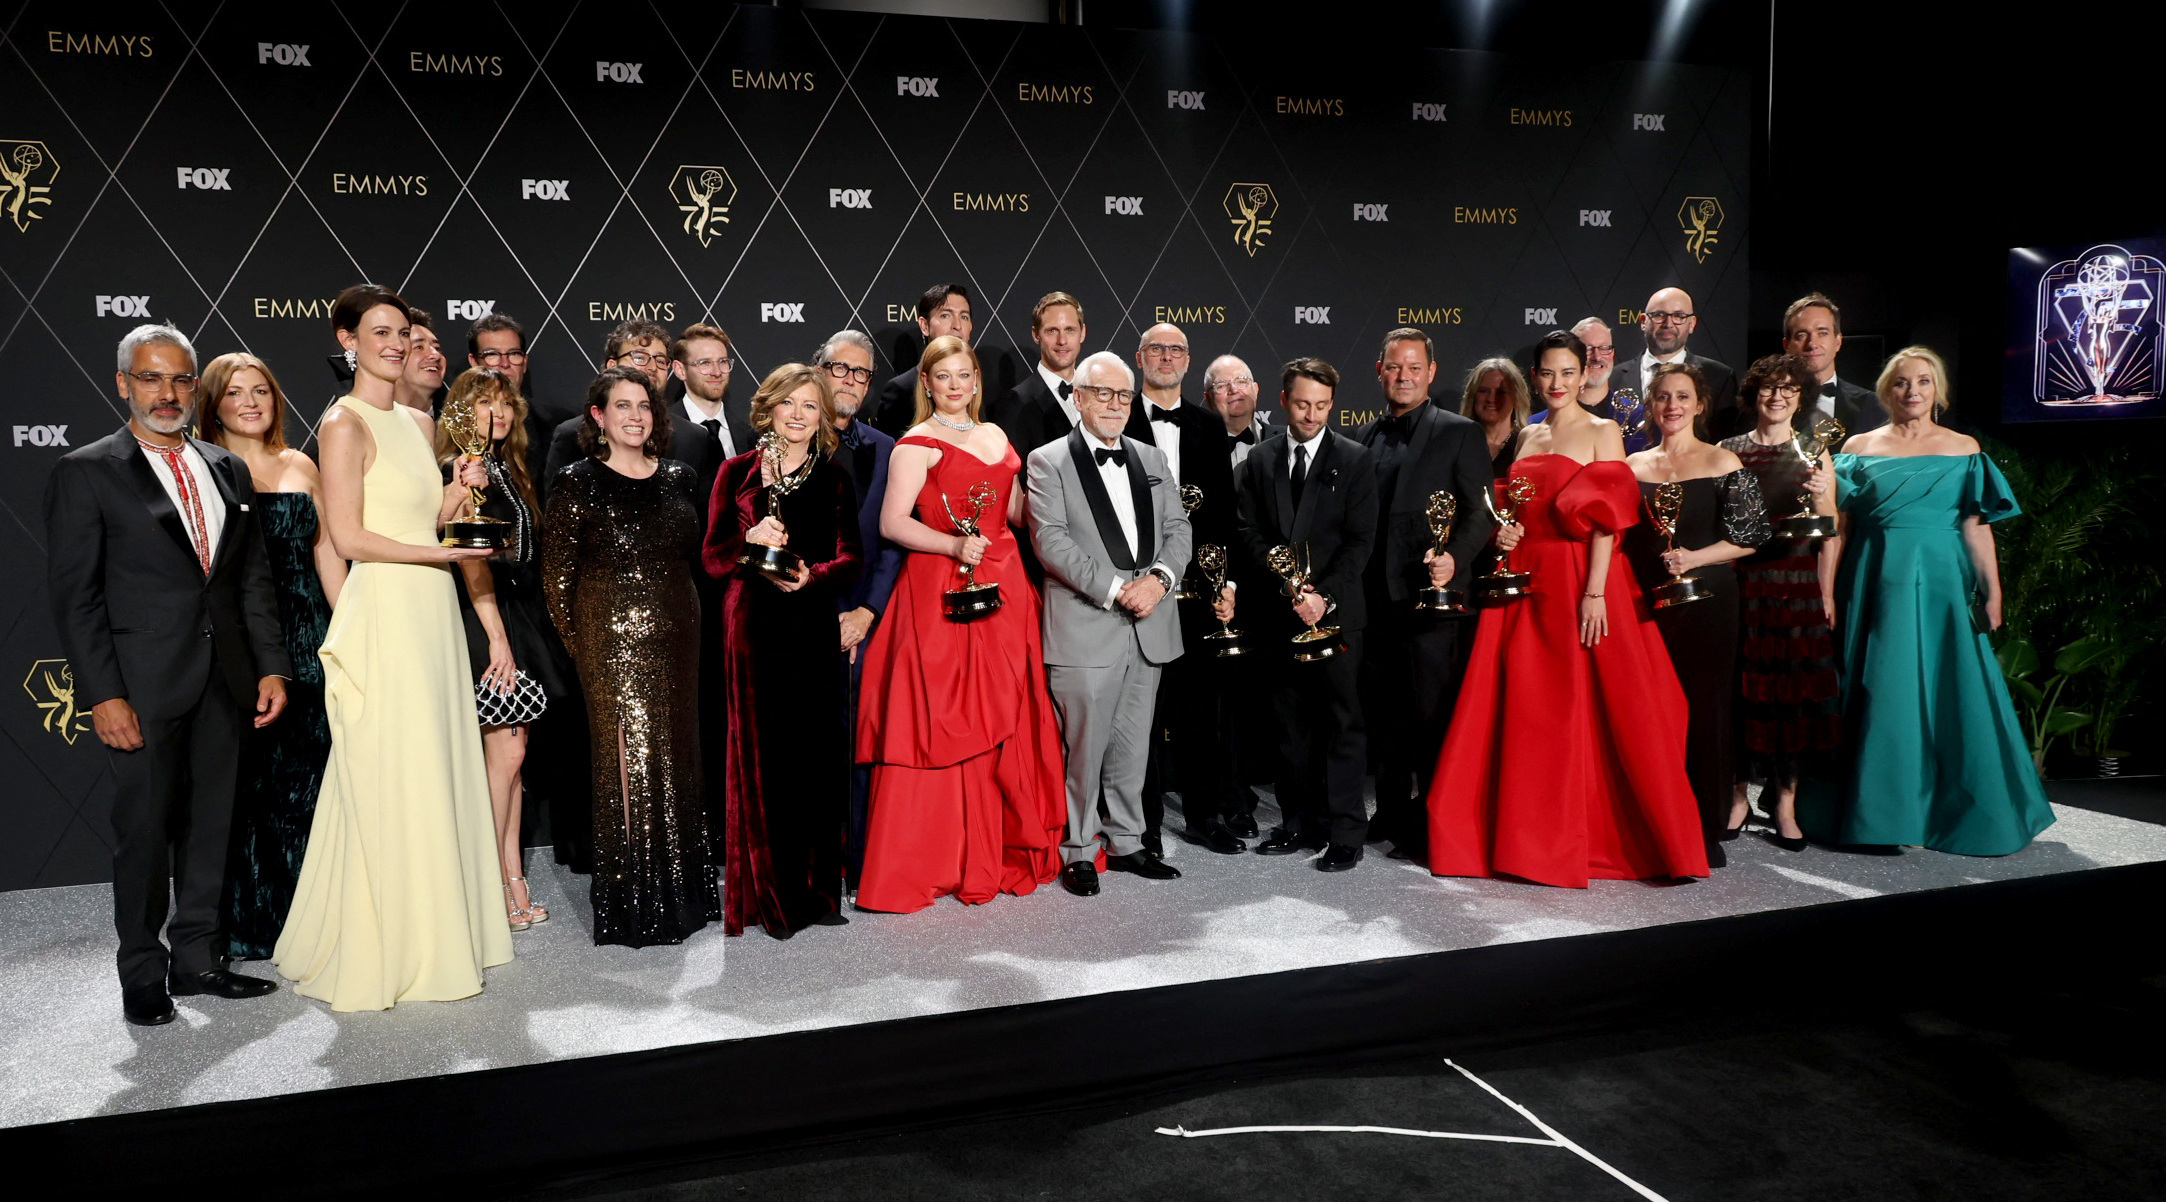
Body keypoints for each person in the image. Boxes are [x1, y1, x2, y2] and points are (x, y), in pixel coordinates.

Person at [273, 284, 513, 1010]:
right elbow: (347, 537)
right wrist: (443, 556)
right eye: (379, 332)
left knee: (434, 764)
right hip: (388, 605)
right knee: (393, 773)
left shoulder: (417, 416)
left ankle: (442, 929)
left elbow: (423, 517)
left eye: (403, 332)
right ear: (347, 340)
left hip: (431, 613)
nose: (395, 343)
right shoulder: (343, 422)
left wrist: (457, 493)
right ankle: (393, 941)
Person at [45, 324, 293, 1025]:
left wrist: (271, 666)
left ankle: (198, 960)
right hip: (142, 687)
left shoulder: (226, 467)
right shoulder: (85, 471)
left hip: (228, 679)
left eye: (181, 379)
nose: (168, 393)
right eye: (151, 378)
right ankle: (141, 973)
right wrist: (103, 694)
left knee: (212, 827)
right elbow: (76, 598)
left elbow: (250, 581)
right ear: (124, 383)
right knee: (146, 834)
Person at [1425, 330, 1706, 887]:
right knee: (1526, 708)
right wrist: (1502, 535)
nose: (1556, 384)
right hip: (1525, 583)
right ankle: (1520, 838)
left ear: (1585, 376)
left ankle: (1584, 837)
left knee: (1590, 708)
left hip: (1582, 578)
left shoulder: (1604, 431)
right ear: (1536, 377)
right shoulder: (1527, 437)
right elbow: (1513, 507)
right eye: (1547, 374)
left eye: (1567, 374)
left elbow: (1611, 515)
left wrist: (1595, 591)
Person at [1795, 347, 2054, 855]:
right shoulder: (1858, 445)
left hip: (1940, 584)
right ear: (1886, 390)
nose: (1912, 391)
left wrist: (1993, 592)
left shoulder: (1963, 449)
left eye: (1923, 382)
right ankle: (1877, 813)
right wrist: (1825, 589)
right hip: (1871, 580)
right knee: (1876, 687)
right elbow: (1838, 529)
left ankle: (1950, 812)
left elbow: (1975, 529)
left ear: (1938, 390)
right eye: (1901, 383)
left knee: (1950, 688)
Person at [854, 335, 1066, 912]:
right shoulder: (913, 445)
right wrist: (953, 545)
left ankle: (997, 842)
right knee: (942, 715)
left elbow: (1017, 510)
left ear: (976, 380)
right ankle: (931, 857)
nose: (954, 384)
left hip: (1006, 585)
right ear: (926, 383)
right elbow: (895, 524)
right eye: (942, 376)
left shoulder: (996, 435)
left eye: (963, 374)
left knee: (1007, 706)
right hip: (942, 590)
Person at [543, 367, 721, 945]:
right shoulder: (577, 480)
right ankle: (635, 902)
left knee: (679, 755)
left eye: (643, 406)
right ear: (598, 417)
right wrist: (584, 646)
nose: (635, 417)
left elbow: (697, 558)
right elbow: (556, 578)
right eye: (622, 406)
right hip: (608, 637)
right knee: (627, 763)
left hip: (679, 630)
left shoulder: (680, 476)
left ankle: (685, 894)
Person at [703, 363, 863, 937]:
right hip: (753, 626)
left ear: (822, 417)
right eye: (788, 404)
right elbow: (714, 558)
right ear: (769, 407)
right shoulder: (736, 473)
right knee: (764, 759)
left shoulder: (834, 477)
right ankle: (769, 897)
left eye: (810, 406)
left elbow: (852, 558)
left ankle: (818, 894)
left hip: (812, 625)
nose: (798, 415)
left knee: (815, 760)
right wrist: (749, 541)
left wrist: (813, 577)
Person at [1030, 352, 1196, 895]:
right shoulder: (1047, 460)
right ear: (1077, 397)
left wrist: (1160, 581)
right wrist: (1115, 589)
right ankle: (1078, 847)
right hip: (1086, 622)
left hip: (1150, 620)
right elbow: (1050, 540)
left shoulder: (1150, 457)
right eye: (1102, 393)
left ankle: (1127, 842)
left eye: (1123, 395)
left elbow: (1178, 528)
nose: (1114, 405)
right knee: (1082, 747)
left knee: (1132, 746)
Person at [194, 352, 342, 962]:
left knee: (310, 784)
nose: (252, 402)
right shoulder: (203, 472)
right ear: (213, 405)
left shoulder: (301, 464)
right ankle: (250, 924)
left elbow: (329, 552)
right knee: (248, 790)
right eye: (236, 393)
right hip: (240, 644)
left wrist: (346, 632)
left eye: (262, 390)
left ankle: (314, 924)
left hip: (310, 637)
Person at [434, 367, 576, 929]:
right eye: (481, 404)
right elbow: (464, 555)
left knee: (512, 763)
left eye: (503, 404)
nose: (496, 414)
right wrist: (496, 637)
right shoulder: (464, 469)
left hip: (518, 616)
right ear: (461, 416)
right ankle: (494, 884)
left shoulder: (510, 468)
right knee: (506, 757)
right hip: (483, 616)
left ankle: (509, 877)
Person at [1355, 328, 1497, 856]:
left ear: (1431, 373)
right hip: (1377, 602)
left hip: (1434, 602)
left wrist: (1454, 559)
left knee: (1431, 718)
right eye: (1394, 367)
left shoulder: (1459, 432)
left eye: (1414, 368)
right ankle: (1390, 812)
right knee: (1386, 715)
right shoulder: (1367, 438)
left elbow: (1481, 511)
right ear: (1380, 371)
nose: (1404, 377)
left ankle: (1434, 821)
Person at [1234, 358, 1378, 871]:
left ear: (1332, 404)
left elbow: (1361, 543)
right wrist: (1288, 588)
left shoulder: (1357, 460)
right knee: (1288, 726)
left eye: (1321, 405)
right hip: (1280, 614)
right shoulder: (1259, 459)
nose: (1311, 414)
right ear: (1282, 400)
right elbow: (1247, 531)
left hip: (1337, 615)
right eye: (1301, 404)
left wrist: (1323, 597)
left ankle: (1344, 831)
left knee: (1342, 724)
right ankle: (1297, 822)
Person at [1622, 363, 1769, 865]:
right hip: (1646, 607)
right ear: (1651, 404)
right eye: (1663, 396)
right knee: (1651, 712)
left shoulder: (1723, 460)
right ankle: (1653, 822)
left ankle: (1704, 828)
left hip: (1710, 602)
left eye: (1682, 396)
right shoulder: (1632, 467)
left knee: (1706, 711)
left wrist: (1695, 559)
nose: (1672, 405)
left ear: (1700, 404)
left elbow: (1751, 537)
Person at [1123, 322, 1244, 856]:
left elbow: (1222, 514)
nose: (1166, 357)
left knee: (1200, 711)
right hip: (1136, 591)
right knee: (1140, 716)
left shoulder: (1209, 426)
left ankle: (1202, 814)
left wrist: (1227, 580)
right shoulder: (1115, 415)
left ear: (1188, 362)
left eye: (1176, 350)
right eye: (1156, 349)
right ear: (1139, 357)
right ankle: (1141, 823)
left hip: (1196, 594)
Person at [1719, 354, 1841, 851]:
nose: (1777, 397)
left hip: (1795, 592)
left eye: (1788, 389)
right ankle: (1738, 798)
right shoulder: (1727, 450)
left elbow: (1830, 530)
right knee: (1739, 695)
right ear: (1754, 395)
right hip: (1741, 588)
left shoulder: (1815, 449)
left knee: (1790, 700)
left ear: (1801, 397)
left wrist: (1826, 591)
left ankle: (1785, 804)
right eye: (1769, 388)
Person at [814, 329, 903, 891]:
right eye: (840, 369)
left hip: (865, 622)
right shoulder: (783, 440)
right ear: (818, 368)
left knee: (858, 746)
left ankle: (857, 861)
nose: (850, 381)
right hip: (802, 615)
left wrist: (868, 613)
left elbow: (892, 543)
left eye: (861, 374)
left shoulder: (886, 449)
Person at [545, 319, 675, 486]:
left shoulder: (691, 438)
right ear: (612, 366)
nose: (652, 367)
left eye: (661, 360)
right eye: (640, 357)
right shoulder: (571, 436)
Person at [1612, 287, 1739, 436]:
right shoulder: (1613, 378)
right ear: (1643, 321)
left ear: (1691, 324)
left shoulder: (1719, 377)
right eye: (1659, 315)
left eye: (1679, 316)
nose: (1668, 324)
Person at [869, 283, 977, 436]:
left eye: (964, 317)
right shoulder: (901, 390)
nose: (957, 326)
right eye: (946, 315)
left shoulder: (978, 387)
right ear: (924, 325)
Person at [1528, 318, 1650, 453]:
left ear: (1613, 353)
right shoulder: (1532, 425)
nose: (1597, 357)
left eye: (1604, 348)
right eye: (1587, 349)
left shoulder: (1639, 417)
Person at [987, 291, 1087, 453]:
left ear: (1082, 333)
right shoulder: (1013, 404)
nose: (1062, 341)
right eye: (1052, 331)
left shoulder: (1097, 397)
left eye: (1070, 330)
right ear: (1036, 334)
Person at [467, 312, 551, 495]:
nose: (504, 364)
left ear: (525, 362)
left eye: (514, 354)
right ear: (474, 362)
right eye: (492, 355)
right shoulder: (458, 426)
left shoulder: (554, 425)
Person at [1782, 293, 1886, 435]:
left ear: (1838, 341)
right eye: (1801, 335)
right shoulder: (1768, 404)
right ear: (1787, 345)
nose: (1812, 344)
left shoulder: (1872, 405)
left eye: (1822, 333)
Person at [1461, 356, 1531, 481]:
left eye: (1501, 392)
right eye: (1483, 391)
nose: (1491, 398)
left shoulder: (1527, 445)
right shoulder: (1458, 444)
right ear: (1473, 396)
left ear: (1516, 398)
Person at [1203, 354, 1267, 470]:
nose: (1234, 389)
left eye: (1241, 381)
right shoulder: (1191, 448)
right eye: (1221, 385)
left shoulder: (1286, 441)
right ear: (1208, 399)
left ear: (1256, 389)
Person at [396, 309, 446, 413]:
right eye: (419, 347)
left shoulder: (463, 420)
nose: (436, 355)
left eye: (437, 348)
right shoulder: (362, 419)